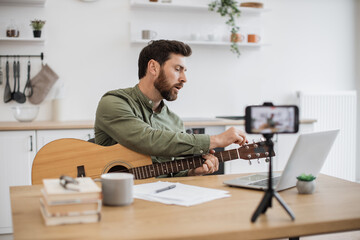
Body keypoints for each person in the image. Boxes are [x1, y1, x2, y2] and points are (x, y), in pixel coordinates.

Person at [95, 40, 247, 178]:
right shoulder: (114, 102)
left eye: (184, 71)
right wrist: (216, 140)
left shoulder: (174, 121)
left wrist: (192, 172)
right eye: (177, 69)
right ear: (153, 67)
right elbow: (147, 139)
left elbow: (171, 173)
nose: (184, 79)